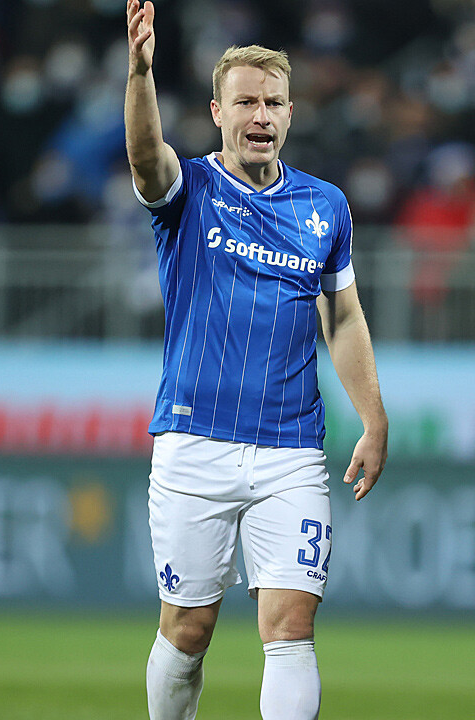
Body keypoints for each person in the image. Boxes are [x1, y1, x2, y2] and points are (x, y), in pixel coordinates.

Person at [124, 2, 389, 718]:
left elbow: (343, 316)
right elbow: (145, 158)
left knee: (291, 626)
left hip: (291, 449)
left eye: (273, 103)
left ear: (291, 114)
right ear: (218, 112)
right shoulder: (189, 189)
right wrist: (141, 74)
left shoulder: (325, 206)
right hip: (193, 440)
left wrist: (372, 417)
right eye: (245, 102)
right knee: (188, 630)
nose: (260, 115)